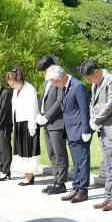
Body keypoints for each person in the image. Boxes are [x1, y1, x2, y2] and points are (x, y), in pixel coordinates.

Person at [81, 60, 112, 212]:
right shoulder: (97, 82)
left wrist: (96, 120)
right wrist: (93, 118)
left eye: (89, 78)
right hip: (103, 128)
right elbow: (94, 104)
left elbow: (110, 104)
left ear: (97, 72)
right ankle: (108, 196)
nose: (89, 81)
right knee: (108, 165)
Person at [46, 65, 92, 204]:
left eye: (54, 81)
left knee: (82, 162)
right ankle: (76, 187)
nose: (53, 84)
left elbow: (84, 110)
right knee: (76, 163)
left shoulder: (77, 87)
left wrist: (86, 130)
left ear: (61, 77)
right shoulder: (63, 87)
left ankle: (82, 190)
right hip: (70, 131)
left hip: (79, 130)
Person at [35, 55, 69, 196]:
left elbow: (59, 102)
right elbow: (44, 99)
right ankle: (56, 180)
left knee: (59, 153)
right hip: (46, 122)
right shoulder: (47, 81)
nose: (43, 74)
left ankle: (61, 183)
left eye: (44, 71)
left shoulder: (58, 77)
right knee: (51, 153)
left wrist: (47, 116)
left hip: (57, 122)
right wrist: (40, 114)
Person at [5, 67, 40, 186]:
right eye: (10, 85)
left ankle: (30, 176)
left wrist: (32, 127)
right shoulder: (16, 90)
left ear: (19, 79)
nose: (12, 86)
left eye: (13, 84)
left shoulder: (30, 89)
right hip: (19, 122)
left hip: (28, 123)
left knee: (28, 149)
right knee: (21, 150)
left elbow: (32, 108)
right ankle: (26, 174)